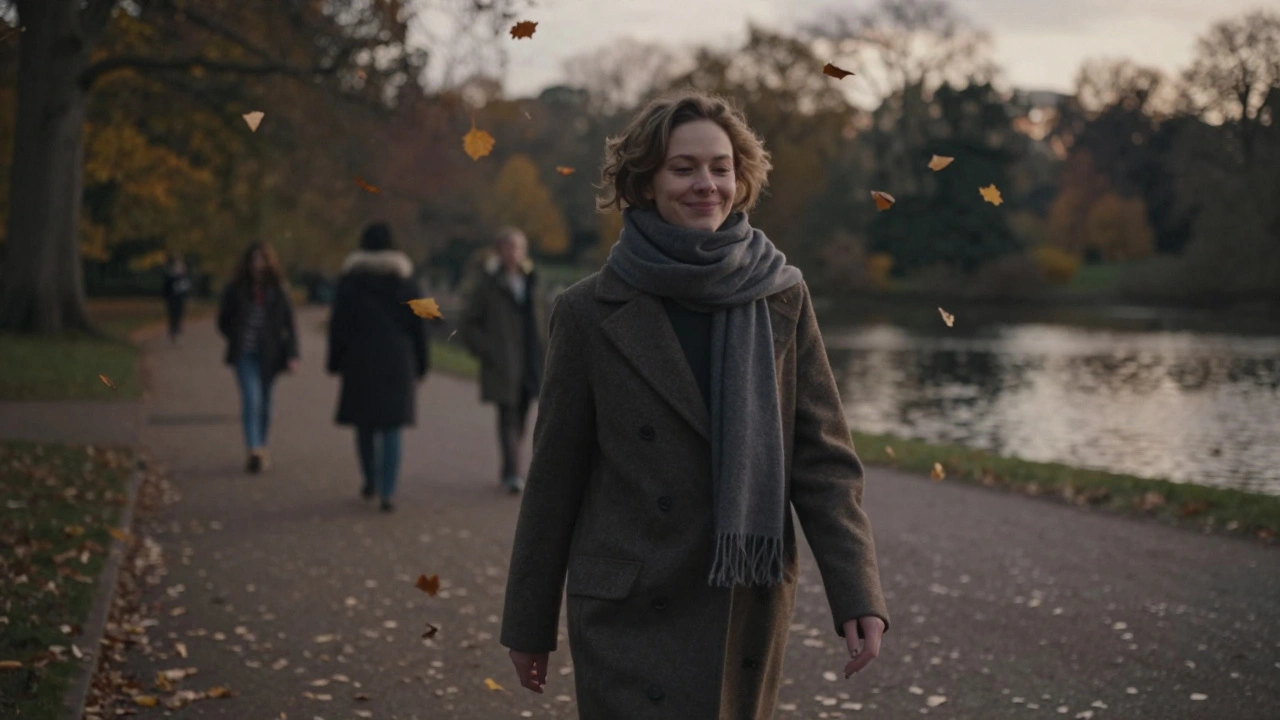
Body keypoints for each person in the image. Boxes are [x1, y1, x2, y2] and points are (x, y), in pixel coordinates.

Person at [498, 90, 890, 719]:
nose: (706, 183)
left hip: (740, 602)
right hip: (628, 607)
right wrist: (528, 623)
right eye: (684, 168)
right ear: (646, 183)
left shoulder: (780, 296)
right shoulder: (587, 311)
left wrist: (858, 591)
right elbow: (554, 480)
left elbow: (823, 462)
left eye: (721, 166)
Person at [326, 222, 428, 512]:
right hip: (397, 361)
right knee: (392, 426)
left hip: (359, 360)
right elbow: (418, 328)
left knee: (365, 425)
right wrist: (422, 365)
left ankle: (370, 477)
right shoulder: (406, 282)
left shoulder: (350, 282)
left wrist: (334, 361)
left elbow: (338, 326)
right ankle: (388, 490)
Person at [458, 226, 548, 495]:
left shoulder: (532, 280)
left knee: (521, 414)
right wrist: (488, 350)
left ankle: (511, 467)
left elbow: (542, 319)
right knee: (507, 415)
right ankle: (511, 472)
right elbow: (468, 324)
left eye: (519, 247)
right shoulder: (488, 284)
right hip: (502, 363)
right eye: (509, 247)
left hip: (530, 360)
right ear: (500, 251)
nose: (514, 253)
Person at [217, 241, 299, 474]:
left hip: (270, 355)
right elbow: (223, 320)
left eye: (262, 259)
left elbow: (289, 325)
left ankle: (261, 446)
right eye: (254, 259)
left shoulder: (278, 290)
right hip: (245, 354)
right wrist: (236, 336)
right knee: (251, 399)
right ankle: (253, 448)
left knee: (264, 402)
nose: (258, 265)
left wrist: (293, 355)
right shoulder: (236, 289)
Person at [161, 251, 192, 343]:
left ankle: (176, 329)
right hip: (172, 298)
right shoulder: (171, 273)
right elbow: (167, 286)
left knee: (179, 314)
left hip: (180, 298)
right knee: (172, 314)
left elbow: (186, 286)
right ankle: (173, 330)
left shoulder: (183, 272)